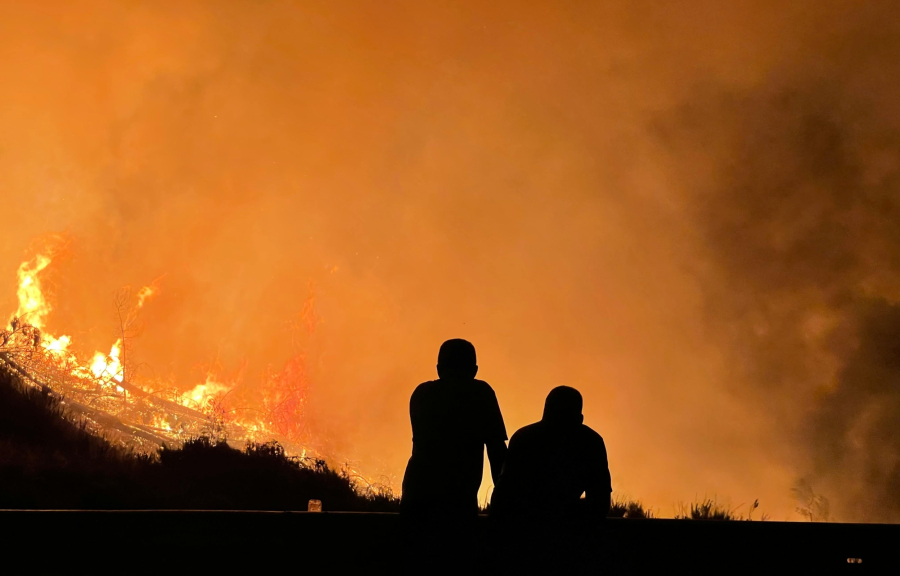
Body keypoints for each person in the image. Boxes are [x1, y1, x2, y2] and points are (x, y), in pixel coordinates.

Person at [401, 338, 508, 571]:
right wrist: (505, 502)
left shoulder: (422, 393)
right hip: (458, 499)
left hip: (417, 494)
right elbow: (497, 453)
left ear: (438, 369)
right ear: (475, 370)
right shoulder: (480, 393)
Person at [490, 386, 611, 572]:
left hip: (522, 540)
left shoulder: (524, 439)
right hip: (563, 543)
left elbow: (501, 500)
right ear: (580, 419)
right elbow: (600, 503)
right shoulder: (591, 443)